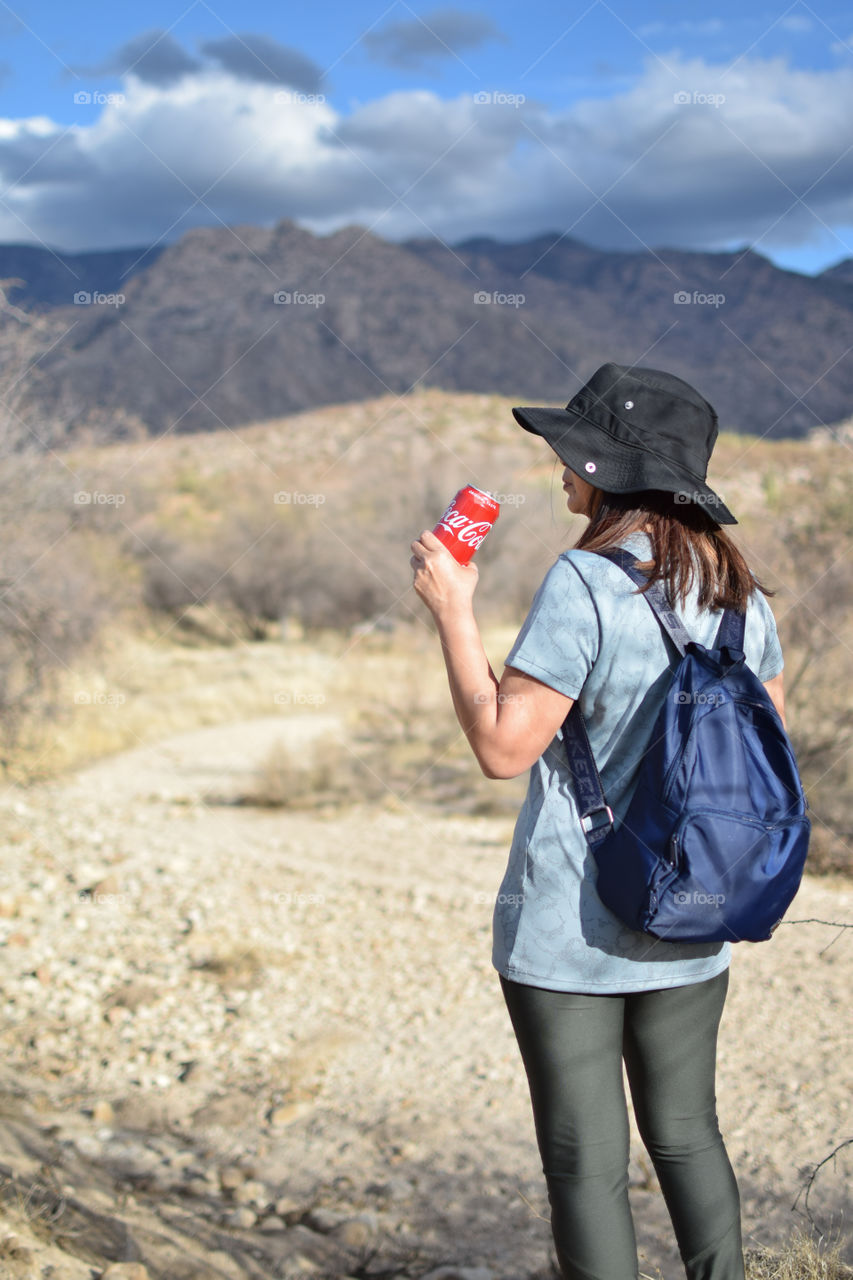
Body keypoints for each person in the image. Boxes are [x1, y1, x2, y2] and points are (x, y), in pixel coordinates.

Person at [409, 362, 787, 1280]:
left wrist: (453, 611)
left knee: (586, 1166)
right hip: (696, 907)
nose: (559, 470)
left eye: (572, 453)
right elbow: (765, 753)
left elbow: (504, 749)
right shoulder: (743, 597)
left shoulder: (582, 583)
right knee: (690, 1137)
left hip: (573, 925)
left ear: (616, 474)